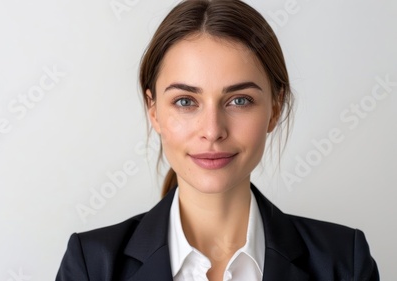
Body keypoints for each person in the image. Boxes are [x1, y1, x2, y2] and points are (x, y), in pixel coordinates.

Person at [56, 0, 379, 280]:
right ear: (153, 110)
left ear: (275, 108)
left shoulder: (343, 261)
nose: (212, 130)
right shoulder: (92, 264)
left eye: (239, 100)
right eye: (185, 101)